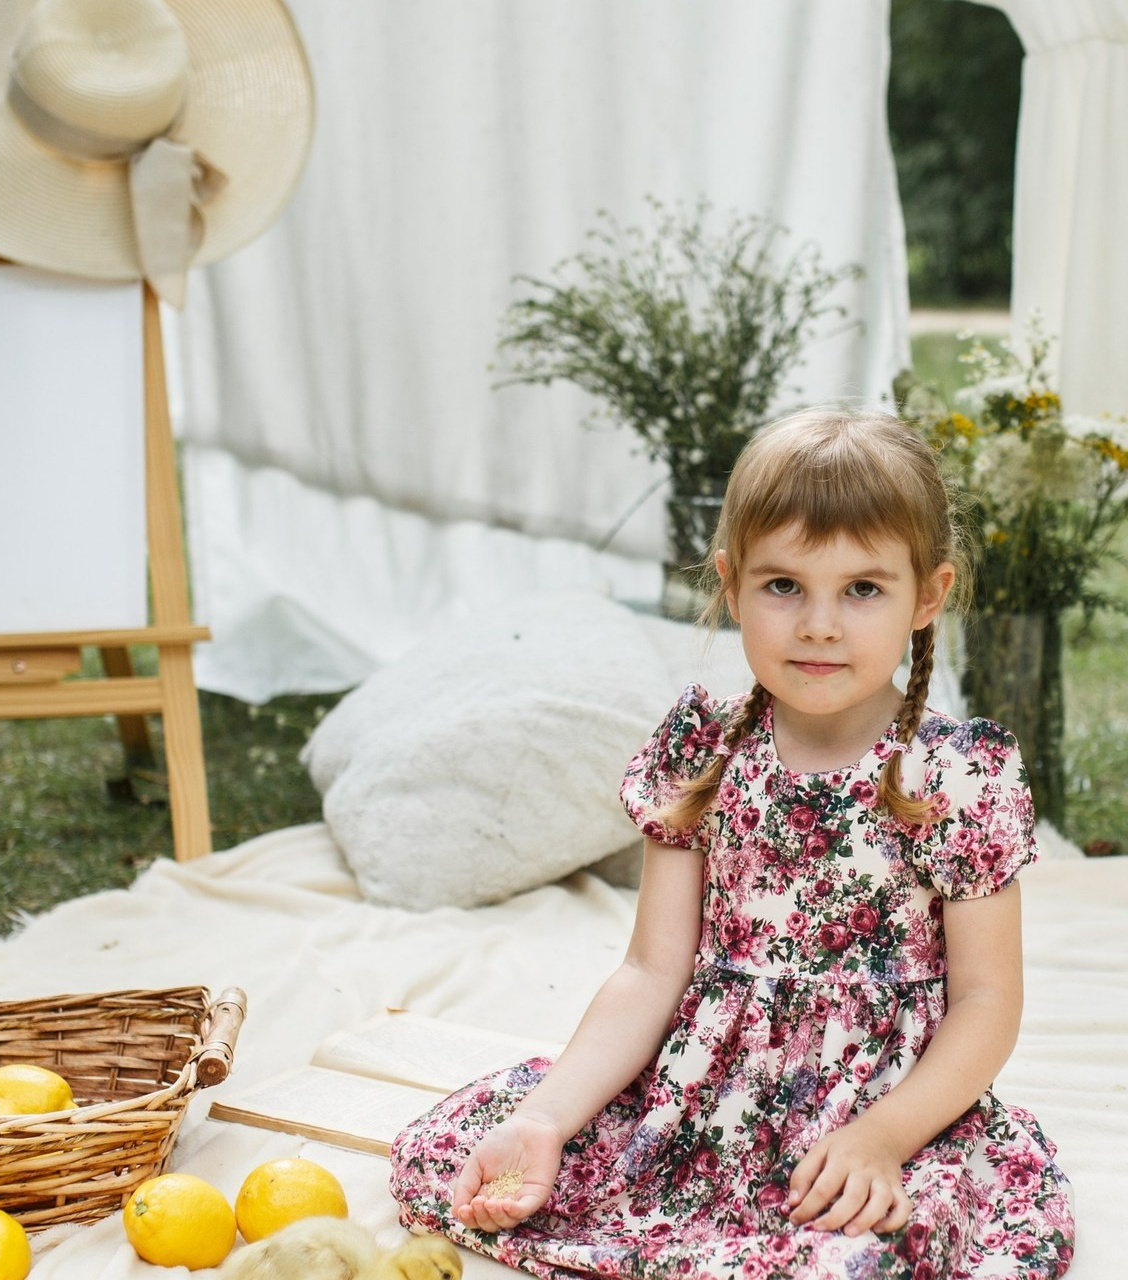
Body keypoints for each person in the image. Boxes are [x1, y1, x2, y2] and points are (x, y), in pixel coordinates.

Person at [389, 409, 1075, 1280]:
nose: (819, 624)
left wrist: (884, 1137)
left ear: (928, 596)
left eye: (863, 589)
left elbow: (986, 1001)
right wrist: (548, 1118)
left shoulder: (954, 775)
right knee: (462, 1161)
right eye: (783, 584)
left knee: (867, 1252)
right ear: (730, 582)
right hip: (702, 1099)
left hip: (881, 1106)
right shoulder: (704, 754)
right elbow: (651, 972)